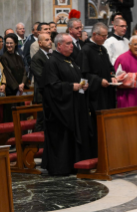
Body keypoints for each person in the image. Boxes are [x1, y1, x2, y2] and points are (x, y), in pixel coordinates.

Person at [41, 33, 93, 176]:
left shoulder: (70, 60)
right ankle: (62, 167)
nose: (72, 46)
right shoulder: (52, 62)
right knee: (63, 139)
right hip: (60, 112)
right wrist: (72, 87)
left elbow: (77, 79)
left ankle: (75, 163)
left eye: (72, 43)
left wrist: (83, 86)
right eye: (68, 43)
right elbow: (52, 87)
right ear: (59, 45)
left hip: (73, 107)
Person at [1, 33, 27, 122]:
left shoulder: (19, 57)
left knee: (22, 116)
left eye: (11, 43)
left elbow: (24, 71)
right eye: (7, 43)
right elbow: (7, 74)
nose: (9, 45)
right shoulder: (3, 57)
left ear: (15, 43)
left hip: (20, 89)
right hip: (11, 91)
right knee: (11, 116)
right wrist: (17, 87)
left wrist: (23, 83)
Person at [30, 33, 52, 131]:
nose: (50, 41)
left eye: (50, 39)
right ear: (40, 43)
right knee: (41, 121)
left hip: (52, 93)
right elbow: (40, 76)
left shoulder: (52, 55)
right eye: (46, 40)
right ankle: (38, 144)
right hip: (42, 94)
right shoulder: (37, 58)